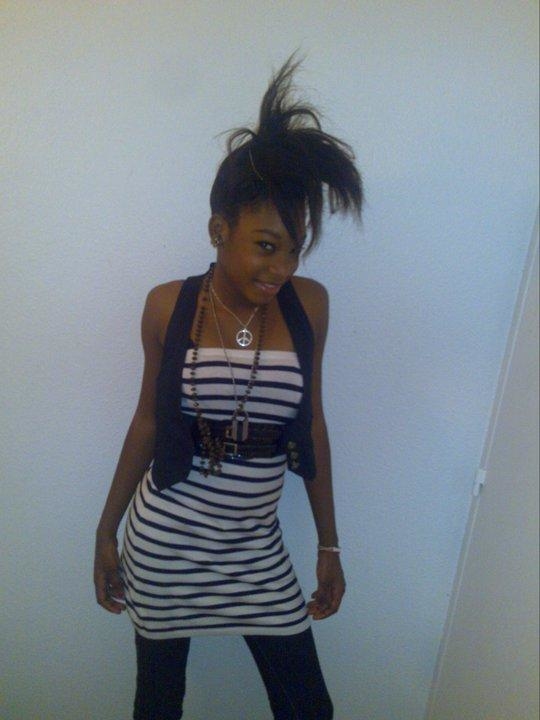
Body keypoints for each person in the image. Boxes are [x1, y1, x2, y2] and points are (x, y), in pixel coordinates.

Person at [94, 55, 363, 720]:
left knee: (308, 708)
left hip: (254, 548)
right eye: (267, 246)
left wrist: (329, 545)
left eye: (295, 248)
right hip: (165, 543)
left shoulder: (310, 306)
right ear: (220, 230)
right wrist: (105, 530)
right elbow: (147, 422)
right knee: (159, 703)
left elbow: (313, 425)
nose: (283, 266)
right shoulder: (168, 306)